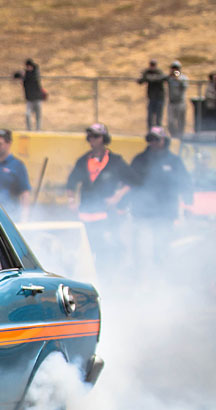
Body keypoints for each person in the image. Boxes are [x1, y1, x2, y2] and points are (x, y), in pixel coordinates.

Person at [126, 126, 193, 272]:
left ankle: (163, 272)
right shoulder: (139, 160)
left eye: (156, 139)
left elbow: (185, 182)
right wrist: (123, 204)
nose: (153, 143)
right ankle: (141, 273)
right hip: (142, 213)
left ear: (164, 141)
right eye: (150, 139)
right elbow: (129, 183)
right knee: (141, 247)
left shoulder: (174, 161)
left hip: (166, 213)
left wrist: (188, 202)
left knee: (162, 245)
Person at [65, 123, 134, 262]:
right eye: (90, 136)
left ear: (104, 138)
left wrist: (117, 197)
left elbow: (132, 181)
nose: (92, 139)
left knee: (108, 252)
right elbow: (70, 184)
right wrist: (71, 202)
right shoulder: (83, 161)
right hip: (85, 216)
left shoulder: (115, 161)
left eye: (96, 136)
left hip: (107, 216)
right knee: (87, 253)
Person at [13, 59, 44, 131]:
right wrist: (20, 75)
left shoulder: (35, 73)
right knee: (27, 114)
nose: (28, 68)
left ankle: (38, 129)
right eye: (27, 67)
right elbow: (16, 76)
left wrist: (24, 75)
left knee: (38, 115)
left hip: (37, 98)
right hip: (29, 99)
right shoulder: (26, 74)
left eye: (29, 66)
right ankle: (29, 129)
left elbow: (33, 76)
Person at [138, 59, 167, 130]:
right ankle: (150, 131)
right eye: (151, 65)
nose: (152, 67)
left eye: (153, 65)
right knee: (150, 117)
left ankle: (158, 132)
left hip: (160, 98)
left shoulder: (159, 72)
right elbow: (140, 81)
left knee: (158, 118)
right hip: (151, 98)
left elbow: (162, 78)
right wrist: (145, 75)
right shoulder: (147, 72)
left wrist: (150, 78)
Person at [167, 61, 189, 139]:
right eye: (173, 68)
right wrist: (171, 76)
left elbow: (185, 87)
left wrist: (178, 79)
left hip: (180, 102)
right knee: (170, 122)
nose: (174, 70)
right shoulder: (169, 78)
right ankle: (174, 136)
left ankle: (180, 136)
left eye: (176, 68)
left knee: (181, 121)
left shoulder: (183, 78)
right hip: (172, 103)